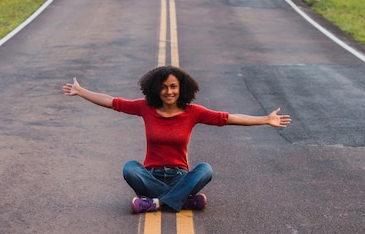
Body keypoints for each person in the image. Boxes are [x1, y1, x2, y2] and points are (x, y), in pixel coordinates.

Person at [62, 65, 291, 214]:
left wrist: (264, 119)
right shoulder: (145, 107)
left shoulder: (193, 112)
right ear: (155, 89)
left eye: (173, 87)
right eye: (163, 87)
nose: (168, 91)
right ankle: (183, 201)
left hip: (181, 176)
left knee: (205, 169)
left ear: (182, 89)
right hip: (150, 176)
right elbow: (112, 101)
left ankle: (157, 203)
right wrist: (82, 92)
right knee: (130, 168)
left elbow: (229, 118)